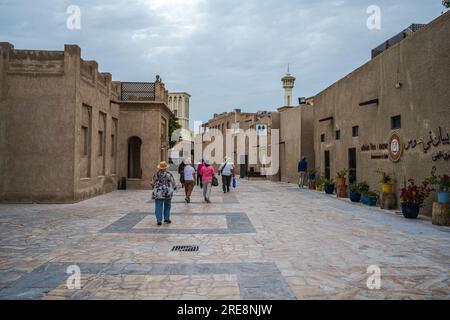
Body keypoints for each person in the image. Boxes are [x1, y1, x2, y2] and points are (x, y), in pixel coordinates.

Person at [151, 161, 177, 226]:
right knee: (167, 205)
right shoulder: (169, 174)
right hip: (167, 192)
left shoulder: (156, 174)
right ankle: (166, 219)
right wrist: (174, 188)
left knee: (158, 205)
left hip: (158, 191)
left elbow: (152, 183)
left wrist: (154, 187)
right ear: (166, 168)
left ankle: (159, 220)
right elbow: (173, 183)